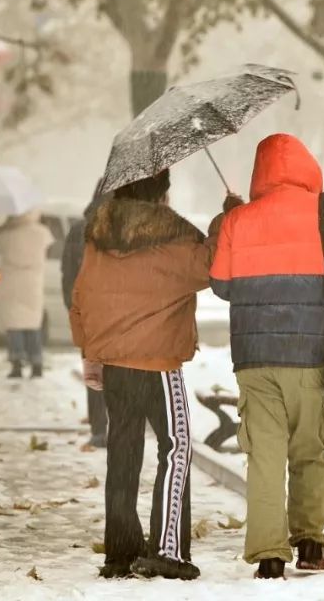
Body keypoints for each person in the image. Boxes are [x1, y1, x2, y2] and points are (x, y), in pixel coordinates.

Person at [210, 133, 324, 580]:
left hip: (254, 358)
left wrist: (234, 222)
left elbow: (223, 287)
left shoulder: (237, 220)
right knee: (310, 450)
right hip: (311, 355)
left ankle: (268, 556)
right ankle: (310, 544)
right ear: (306, 167)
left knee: (264, 455)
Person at [70, 170, 239, 581]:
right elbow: (211, 266)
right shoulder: (170, 236)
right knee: (177, 447)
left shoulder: (100, 238)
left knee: (123, 453)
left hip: (116, 366)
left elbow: (82, 297)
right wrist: (227, 217)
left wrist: (90, 353)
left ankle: (121, 553)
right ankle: (168, 550)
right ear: (160, 196)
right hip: (159, 364)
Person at [62, 189, 110, 447]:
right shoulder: (117, 229)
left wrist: (73, 310)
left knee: (94, 372)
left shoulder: (78, 229)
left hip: (87, 314)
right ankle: (113, 425)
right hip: (114, 314)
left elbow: (66, 274)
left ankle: (99, 428)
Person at [0, 210, 53, 379]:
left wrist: (3, 226)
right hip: (32, 284)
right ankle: (37, 364)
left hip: (11, 284)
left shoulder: (7, 234)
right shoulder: (42, 233)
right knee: (33, 325)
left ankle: (17, 364)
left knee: (15, 325)